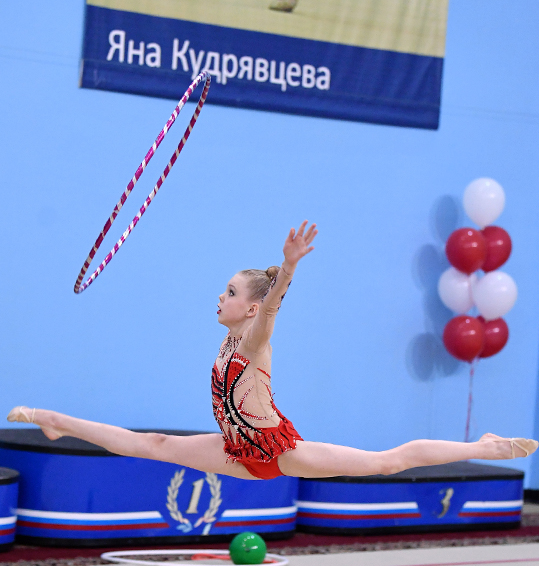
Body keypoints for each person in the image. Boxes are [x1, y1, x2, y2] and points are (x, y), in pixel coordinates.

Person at [7, 221, 537, 479]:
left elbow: (274, 307)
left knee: (385, 463)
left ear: (252, 308)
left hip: (278, 451)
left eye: (230, 292)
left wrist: (287, 268)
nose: (221, 297)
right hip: (235, 449)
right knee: (155, 443)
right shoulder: (228, 337)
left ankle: (483, 446)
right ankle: (55, 420)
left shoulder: (254, 338)